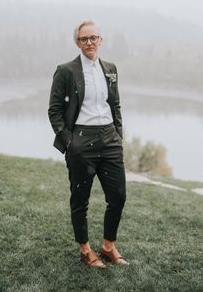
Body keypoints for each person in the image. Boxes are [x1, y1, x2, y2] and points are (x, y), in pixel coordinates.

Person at [48, 19, 128, 268]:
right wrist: (69, 142)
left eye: (94, 38)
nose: (90, 42)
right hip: (81, 140)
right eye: (85, 39)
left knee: (118, 196)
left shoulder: (110, 68)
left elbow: (114, 104)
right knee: (80, 199)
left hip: (109, 139)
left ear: (100, 40)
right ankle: (85, 251)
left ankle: (107, 247)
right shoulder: (66, 70)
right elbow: (54, 111)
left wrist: (118, 134)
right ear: (77, 42)